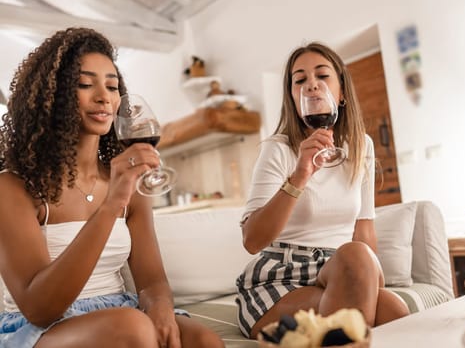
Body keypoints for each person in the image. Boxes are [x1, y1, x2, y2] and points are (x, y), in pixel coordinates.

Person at [0, 27, 224, 348]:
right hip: (41, 328)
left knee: (204, 340)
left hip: (121, 312)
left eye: (112, 86)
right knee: (132, 328)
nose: (104, 96)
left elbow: (151, 281)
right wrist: (111, 205)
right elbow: (39, 308)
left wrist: (160, 310)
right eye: (85, 84)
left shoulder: (128, 180)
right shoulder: (14, 186)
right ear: (52, 95)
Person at [235, 42, 410, 339]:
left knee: (394, 308)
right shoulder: (277, 149)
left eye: (322, 76)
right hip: (282, 276)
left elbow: (363, 230)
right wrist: (300, 174)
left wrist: (370, 281)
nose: (311, 86)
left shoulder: (361, 146)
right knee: (358, 275)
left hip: (343, 269)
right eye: (300, 80)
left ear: (341, 92)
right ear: (293, 97)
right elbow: (252, 240)